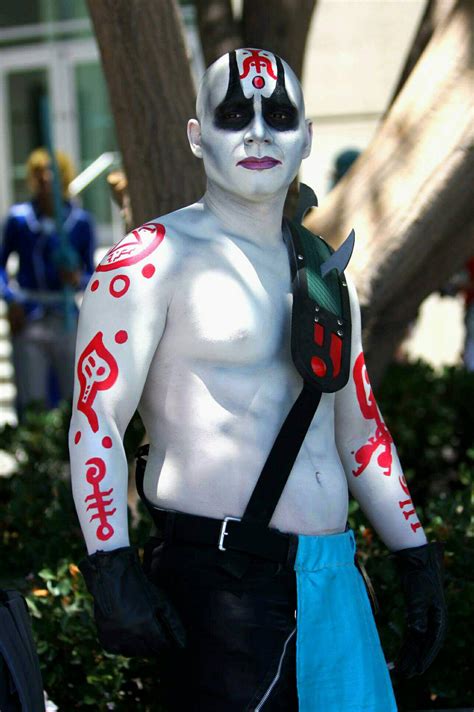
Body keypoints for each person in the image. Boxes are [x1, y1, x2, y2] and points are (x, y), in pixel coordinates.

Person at [69, 49, 446, 711]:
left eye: (278, 116)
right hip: (221, 594)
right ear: (197, 135)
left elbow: (360, 434)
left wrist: (416, 557)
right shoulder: (149, 259)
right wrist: (110, 564)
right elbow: (96, 419)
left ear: (305, 137)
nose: (258, 132)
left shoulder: (325, 274)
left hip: (334, 583)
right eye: (234, 113)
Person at [0, 148, 96, 416]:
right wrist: (10, 299)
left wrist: (76, 278)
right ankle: (34, 454)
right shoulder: (19, 219)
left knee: (74, 395)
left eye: (52, 173)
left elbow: (92, 276)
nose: (45, 180)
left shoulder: (80, 223)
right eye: (39, 174)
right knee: (32, 396)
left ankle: (72, 455)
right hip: (29, 317)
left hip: (66, 317)